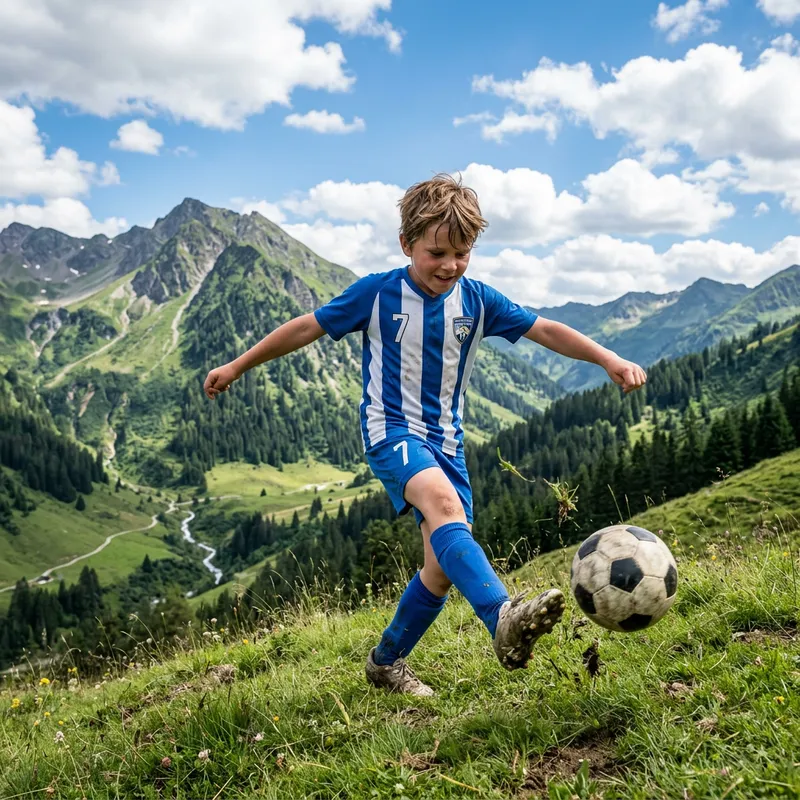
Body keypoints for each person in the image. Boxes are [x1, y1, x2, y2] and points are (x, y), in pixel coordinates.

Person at [203, 174, 647, 696]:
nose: (449, 266)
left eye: (462, 254)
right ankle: (502, 616)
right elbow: (307, 326)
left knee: (438, 571)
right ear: (406, 244)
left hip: (449, 445)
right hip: (389, 432)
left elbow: (545, 329)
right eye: (437, 252)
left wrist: (608, 358)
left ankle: (386, 663)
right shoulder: (378, 293)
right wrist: (237, 365)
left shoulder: (478, 301)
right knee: (441, 505)